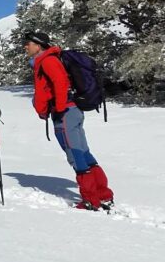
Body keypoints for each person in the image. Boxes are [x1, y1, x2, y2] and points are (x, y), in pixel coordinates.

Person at [24, 31, 114, 210]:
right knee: (83, 152)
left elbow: (60, 83)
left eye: (28, 43)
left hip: (65, 113)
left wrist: (58, 107)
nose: (25, 47)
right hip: (72, 111)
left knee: (75, 154)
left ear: (38, 45)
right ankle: (102, 195)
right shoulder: (48, 60)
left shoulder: (48, 61)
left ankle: (90, 200)